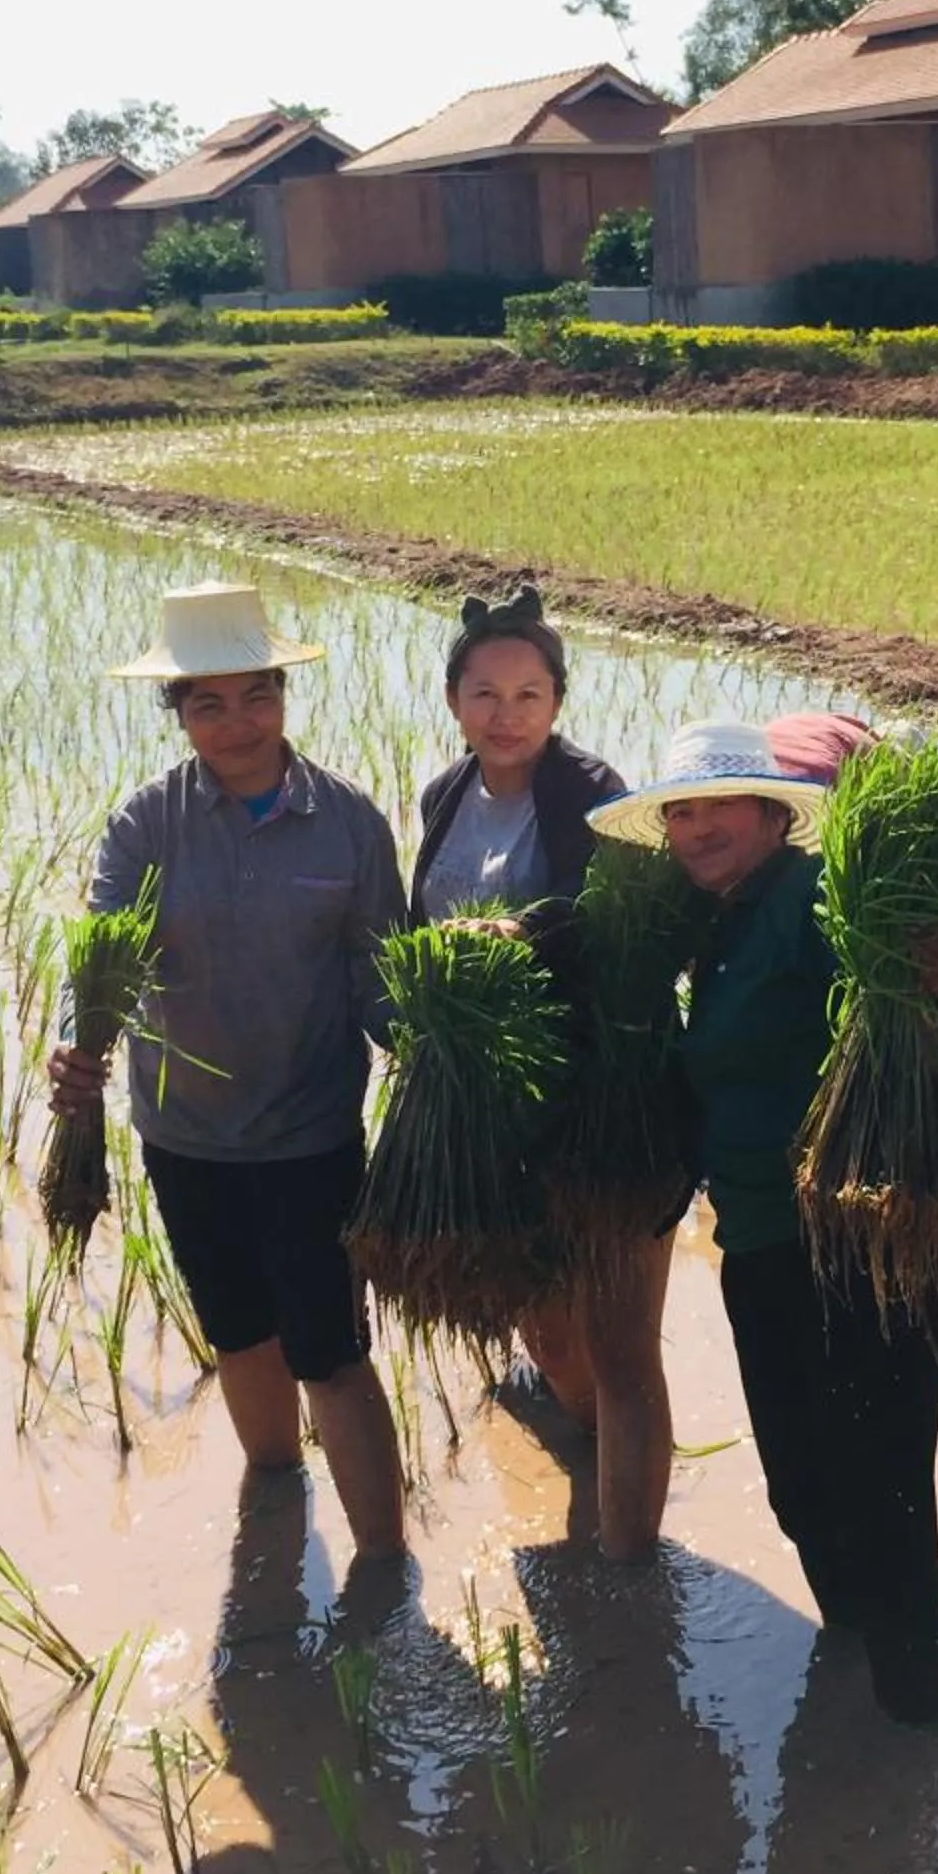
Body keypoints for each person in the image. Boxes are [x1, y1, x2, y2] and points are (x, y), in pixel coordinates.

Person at [590, 722, 938, 1730]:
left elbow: (906, 995)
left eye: (720, 805)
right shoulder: (717, 923)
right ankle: (849, 1672)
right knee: (801, 1483)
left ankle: (912, 1734)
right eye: (681, 811)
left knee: (884, 1484)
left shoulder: (810, 898)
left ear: (771, 815)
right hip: (759, 1234)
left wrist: (935, 979)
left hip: (869, 1231)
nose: (697, 825)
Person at [46, 581, 406, 1560]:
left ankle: (383, 1572)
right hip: (189, 1139)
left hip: (311, 1136)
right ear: (180, 714)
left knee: (332, 1352)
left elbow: (380, 978)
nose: (237, 722)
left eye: (256, 696)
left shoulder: (349, 825)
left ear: (284, 697)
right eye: (208, 702)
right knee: (242, 1337)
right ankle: (276, 1515)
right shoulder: (144, 827)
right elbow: (102, 959)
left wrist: (429, 1048)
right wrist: (81, 1048)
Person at [408, 586, 672, 1565]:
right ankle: (584, 1456)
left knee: (615, 1340)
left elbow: (625, 925)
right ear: (452, 699)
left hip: (588, 1097)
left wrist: (526, 935)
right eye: (485, 693)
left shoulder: (596, 797)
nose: (505, 714)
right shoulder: (445, 795)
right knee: (538, 1317)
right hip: (483, 1107)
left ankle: (627, 1553)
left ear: (556, 702)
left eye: (528, 693)